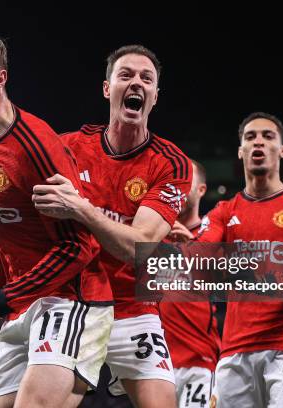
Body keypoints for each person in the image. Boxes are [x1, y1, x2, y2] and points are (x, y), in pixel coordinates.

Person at [0, 28, 113, 408]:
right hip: (23, 302)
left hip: (72, 300)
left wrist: (0, 300)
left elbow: (79, 248)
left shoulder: (35, 147)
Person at [31, 45, 193, 408]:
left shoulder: (172, 164)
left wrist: (81, 209)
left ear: (154, 96)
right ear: (108, 89)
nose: (136, 82)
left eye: (146, 79)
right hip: (73, 303)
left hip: (135, 308)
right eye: (126, 75)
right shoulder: (68, 147)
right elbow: (9, 164)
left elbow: (140, 249)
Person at [189, 112, 283, 408]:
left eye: (268, 136)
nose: (259, 143)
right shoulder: (223, 212)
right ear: (241, 151)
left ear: (282, 150)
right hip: (234, 353)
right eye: (250, 137)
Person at [159, 160, 221, 407]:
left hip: (199, 362)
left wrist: (191, 250)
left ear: (201, 190)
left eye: (187, 183)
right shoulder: (151, 235)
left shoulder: (213, 234)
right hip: (156, 366)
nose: (179, 190)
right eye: (175, 183)